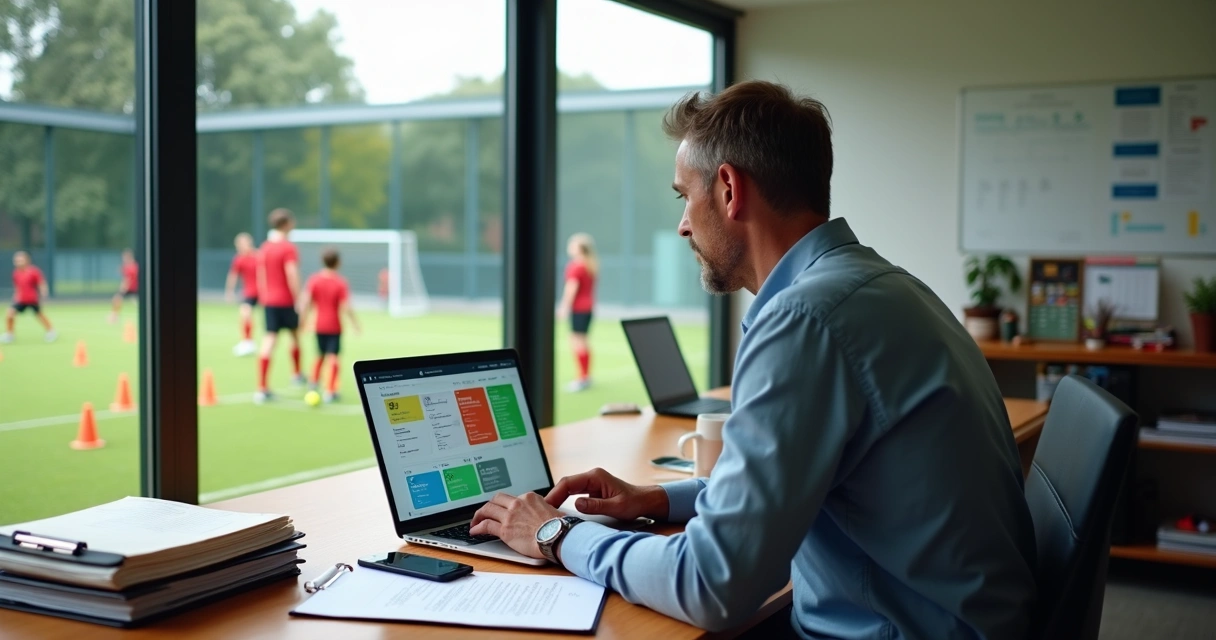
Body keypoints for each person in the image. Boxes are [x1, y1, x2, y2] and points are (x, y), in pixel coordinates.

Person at [468, 81, 1037, 639]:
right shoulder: (884, 287)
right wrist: (657, 499)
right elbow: (787, 485)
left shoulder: (805, 320)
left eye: (683, 196)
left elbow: (713, 585)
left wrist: (556, 534)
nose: (682, 224)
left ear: (728, 189)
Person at [255, 209, 304, 403]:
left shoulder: (265, 247)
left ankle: (262, 387)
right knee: (295, 335)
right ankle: (297, 374)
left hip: (269, 301)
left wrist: (263, 295)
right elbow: (291, 273)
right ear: (287, 224)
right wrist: (299, 298)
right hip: (286, 300)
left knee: (269, 339)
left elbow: (260, 272)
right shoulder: (288, 248)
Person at [298, 248, 360, 403]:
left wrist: (303, 321)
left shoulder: (314, 279)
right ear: (338, 262)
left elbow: (306, 302)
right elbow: (346, 306)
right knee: (333, 357)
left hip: (319, 324)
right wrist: (355, 324)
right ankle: (331, 390)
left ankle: (313, 382)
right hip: (334, 325)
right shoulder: (340, 282)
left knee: (320, 354)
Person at [558, 233, 598, 392]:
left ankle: (582, 378)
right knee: (583, 341)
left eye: (573, 244)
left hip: (578, 309)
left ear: (579, 249)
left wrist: (564, 307)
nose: (569, 247)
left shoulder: (576, 266)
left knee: (577, 341)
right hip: (588, 308)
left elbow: (571, 289)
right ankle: (586, 376)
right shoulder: (590, 265)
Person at [3, 251, 56, 343]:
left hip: (32, 299)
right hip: (20, 300)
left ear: (27, 260)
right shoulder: (16, 273)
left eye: (20, 260)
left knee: (40, 315)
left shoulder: (34, 271)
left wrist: (44, 294)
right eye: (16, 260)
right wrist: (15, 296)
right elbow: (17, 287)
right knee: (10, 313)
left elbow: (41, 283)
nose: (18, 262)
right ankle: (9, 334)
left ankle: (51, 331)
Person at [225, 232, 259, 357]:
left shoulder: (258, 256)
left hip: (263, 291)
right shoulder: (239, 259)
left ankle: (251, 342)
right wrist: (229, 291)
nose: (241, 246)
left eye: (243, 243)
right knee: (245, 313)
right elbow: (233, 275)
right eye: (239, 244)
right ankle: (247, 342)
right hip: (249, 292)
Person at [108, 249, 139, 323]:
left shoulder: (132, 267)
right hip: (132, 288)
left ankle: (114, 317)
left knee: (117, 299)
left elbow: (127, 280)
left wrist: (123, 288)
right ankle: (114, 316)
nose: (123, 259)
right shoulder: (130, 266)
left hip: (132, 288)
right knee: (117, 299)